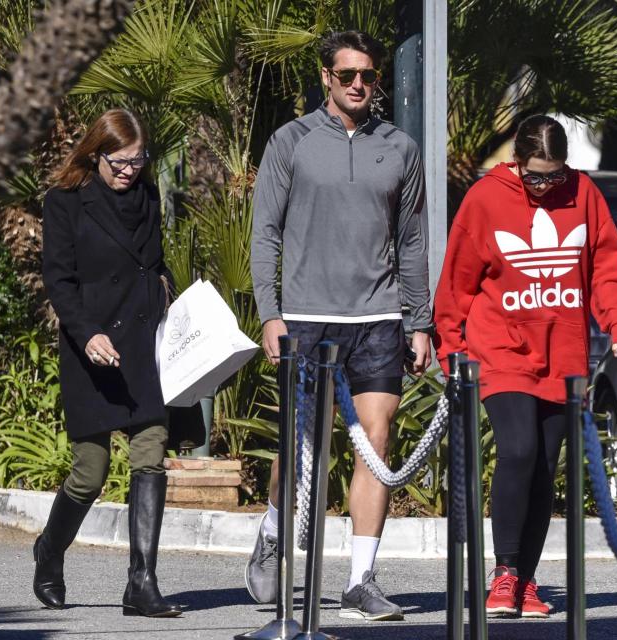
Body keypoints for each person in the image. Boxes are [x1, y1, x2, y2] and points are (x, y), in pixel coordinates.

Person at [247, 30, 432, 621]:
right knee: (301, 445)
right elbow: (265, 233)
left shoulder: (400, 147)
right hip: (308, 318)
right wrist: (271, 314)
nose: (358, 84)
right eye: (347, 75)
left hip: (378, 317)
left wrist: (419, 321)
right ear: (326, 76)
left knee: (376, 443)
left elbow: (412, 240)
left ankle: (360, 580)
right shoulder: (291, 141)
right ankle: (273, 530)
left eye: (368, 76)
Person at [433, 115, 617, 619]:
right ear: (517, 161)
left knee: (546, 466)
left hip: (563, 354)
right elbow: (458, 279)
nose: (546, 186)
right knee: (520, 450)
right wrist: (451, 348)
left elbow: (607, 269)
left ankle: (526, 581)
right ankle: (504, 572)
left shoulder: (584, 194)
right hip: (500, 349)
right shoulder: (486, 198)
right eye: (535, 176)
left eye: (555, 175)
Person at [37, 108, 181, 618]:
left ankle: (142, 583)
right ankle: (49, 550)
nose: (128, 171)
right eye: (119, 161)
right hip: (91, 348)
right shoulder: (64, 201)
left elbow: (155, 264)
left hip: (141, 344)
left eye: (137, 161)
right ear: (95, 153)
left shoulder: (148, 195)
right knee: (90, 470)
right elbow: (59, 280)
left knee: (150, 453)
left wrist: (170, 298)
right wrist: (87, 332)